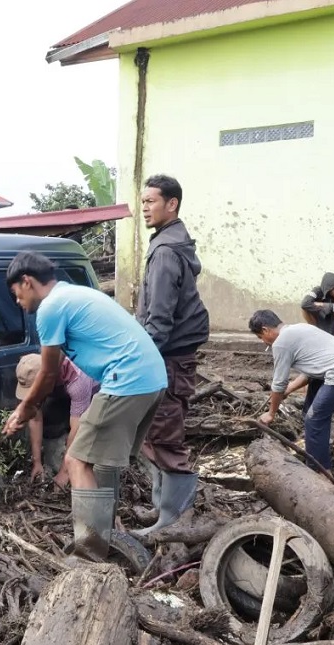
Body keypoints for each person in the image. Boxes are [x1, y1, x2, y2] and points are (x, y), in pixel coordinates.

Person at [3, 252, 167, 561]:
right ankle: (110, 533)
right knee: (101, 462)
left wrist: (24, 409)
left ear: (27, 282)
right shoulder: (75, 293)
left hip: (127, 380)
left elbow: (49, 373)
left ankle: (89, 555)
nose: (17, 302)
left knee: (76, 459)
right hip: (152, 379)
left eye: (16, 294)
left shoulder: (50, 307)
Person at [134, 174, 210, 536]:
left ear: (172, 204)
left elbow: (159, 319)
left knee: (165, 433)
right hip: (166, 354)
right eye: (144, 201)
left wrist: (140, 359)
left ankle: (174, 519)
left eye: (151, 201)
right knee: (153, 430)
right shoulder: (166, 243)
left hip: (167, 356)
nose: (144, 207)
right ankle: (161, 509)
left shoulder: (165, 252)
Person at [249, 310, 334, 470]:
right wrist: (290, 389)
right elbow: (313, 370)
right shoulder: (301, 328)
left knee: (314, 419)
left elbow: (278, 383)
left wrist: (271, 413)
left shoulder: (281, 342)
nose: (263, 342)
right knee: (310, 412)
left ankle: (320, 470)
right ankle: (318, 449)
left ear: (265, 330)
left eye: (260, 337)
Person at [14, 353, 100, 489]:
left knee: (87, 436)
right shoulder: (34, 367)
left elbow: (77, 429)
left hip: (97, 393)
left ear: (46, 381)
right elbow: (34, 418)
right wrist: (36, 462)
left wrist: (64, 473)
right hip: (62, 390)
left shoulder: (78, 380)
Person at [301, 272, 334, 338]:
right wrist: (323, 307)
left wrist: (322, 304)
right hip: (323, 319)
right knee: (304, 309)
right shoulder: (317, 290)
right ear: (328, 289)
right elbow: (304, 303)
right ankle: (316, 333)